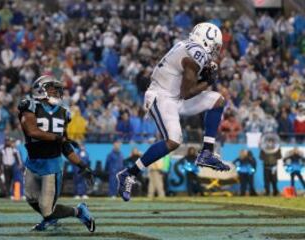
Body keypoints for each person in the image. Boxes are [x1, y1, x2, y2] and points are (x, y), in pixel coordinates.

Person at [116, 22, 230, 201]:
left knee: (218, 100)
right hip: (161, 96)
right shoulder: (196, 53)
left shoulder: (187, 47)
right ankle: (128, 174)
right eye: (215, 45)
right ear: (206, 40)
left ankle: (207, 152)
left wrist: (204, 77)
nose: (215, 50)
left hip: (175, 97)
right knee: (174, 140)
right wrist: (207, 81)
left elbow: (184, 86)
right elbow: (187, 92)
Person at [18, 75, 95, 232]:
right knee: (31, 199)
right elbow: (32, 131)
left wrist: (82, 165)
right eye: (52, 89)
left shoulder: (64, 113)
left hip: (52, 165)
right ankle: (51, 219)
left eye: (57, 90)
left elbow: (64, 145)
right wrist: (57, 138)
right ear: (40, 90)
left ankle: (79, 211)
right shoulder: (30, 106)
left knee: (47, 209)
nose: (56, 93)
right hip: (33, 163)